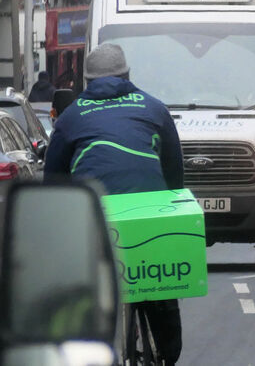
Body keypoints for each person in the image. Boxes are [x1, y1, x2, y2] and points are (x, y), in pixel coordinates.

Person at [44, 43, 184, 365]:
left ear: (85, 81)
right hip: (149, 215)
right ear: (128, 75)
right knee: (157, 279)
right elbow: (174, 169)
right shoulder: (154, 109)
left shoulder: (72, 116)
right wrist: (171, 206)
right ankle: (166, 345)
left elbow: (53, 179)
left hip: (94, 218)